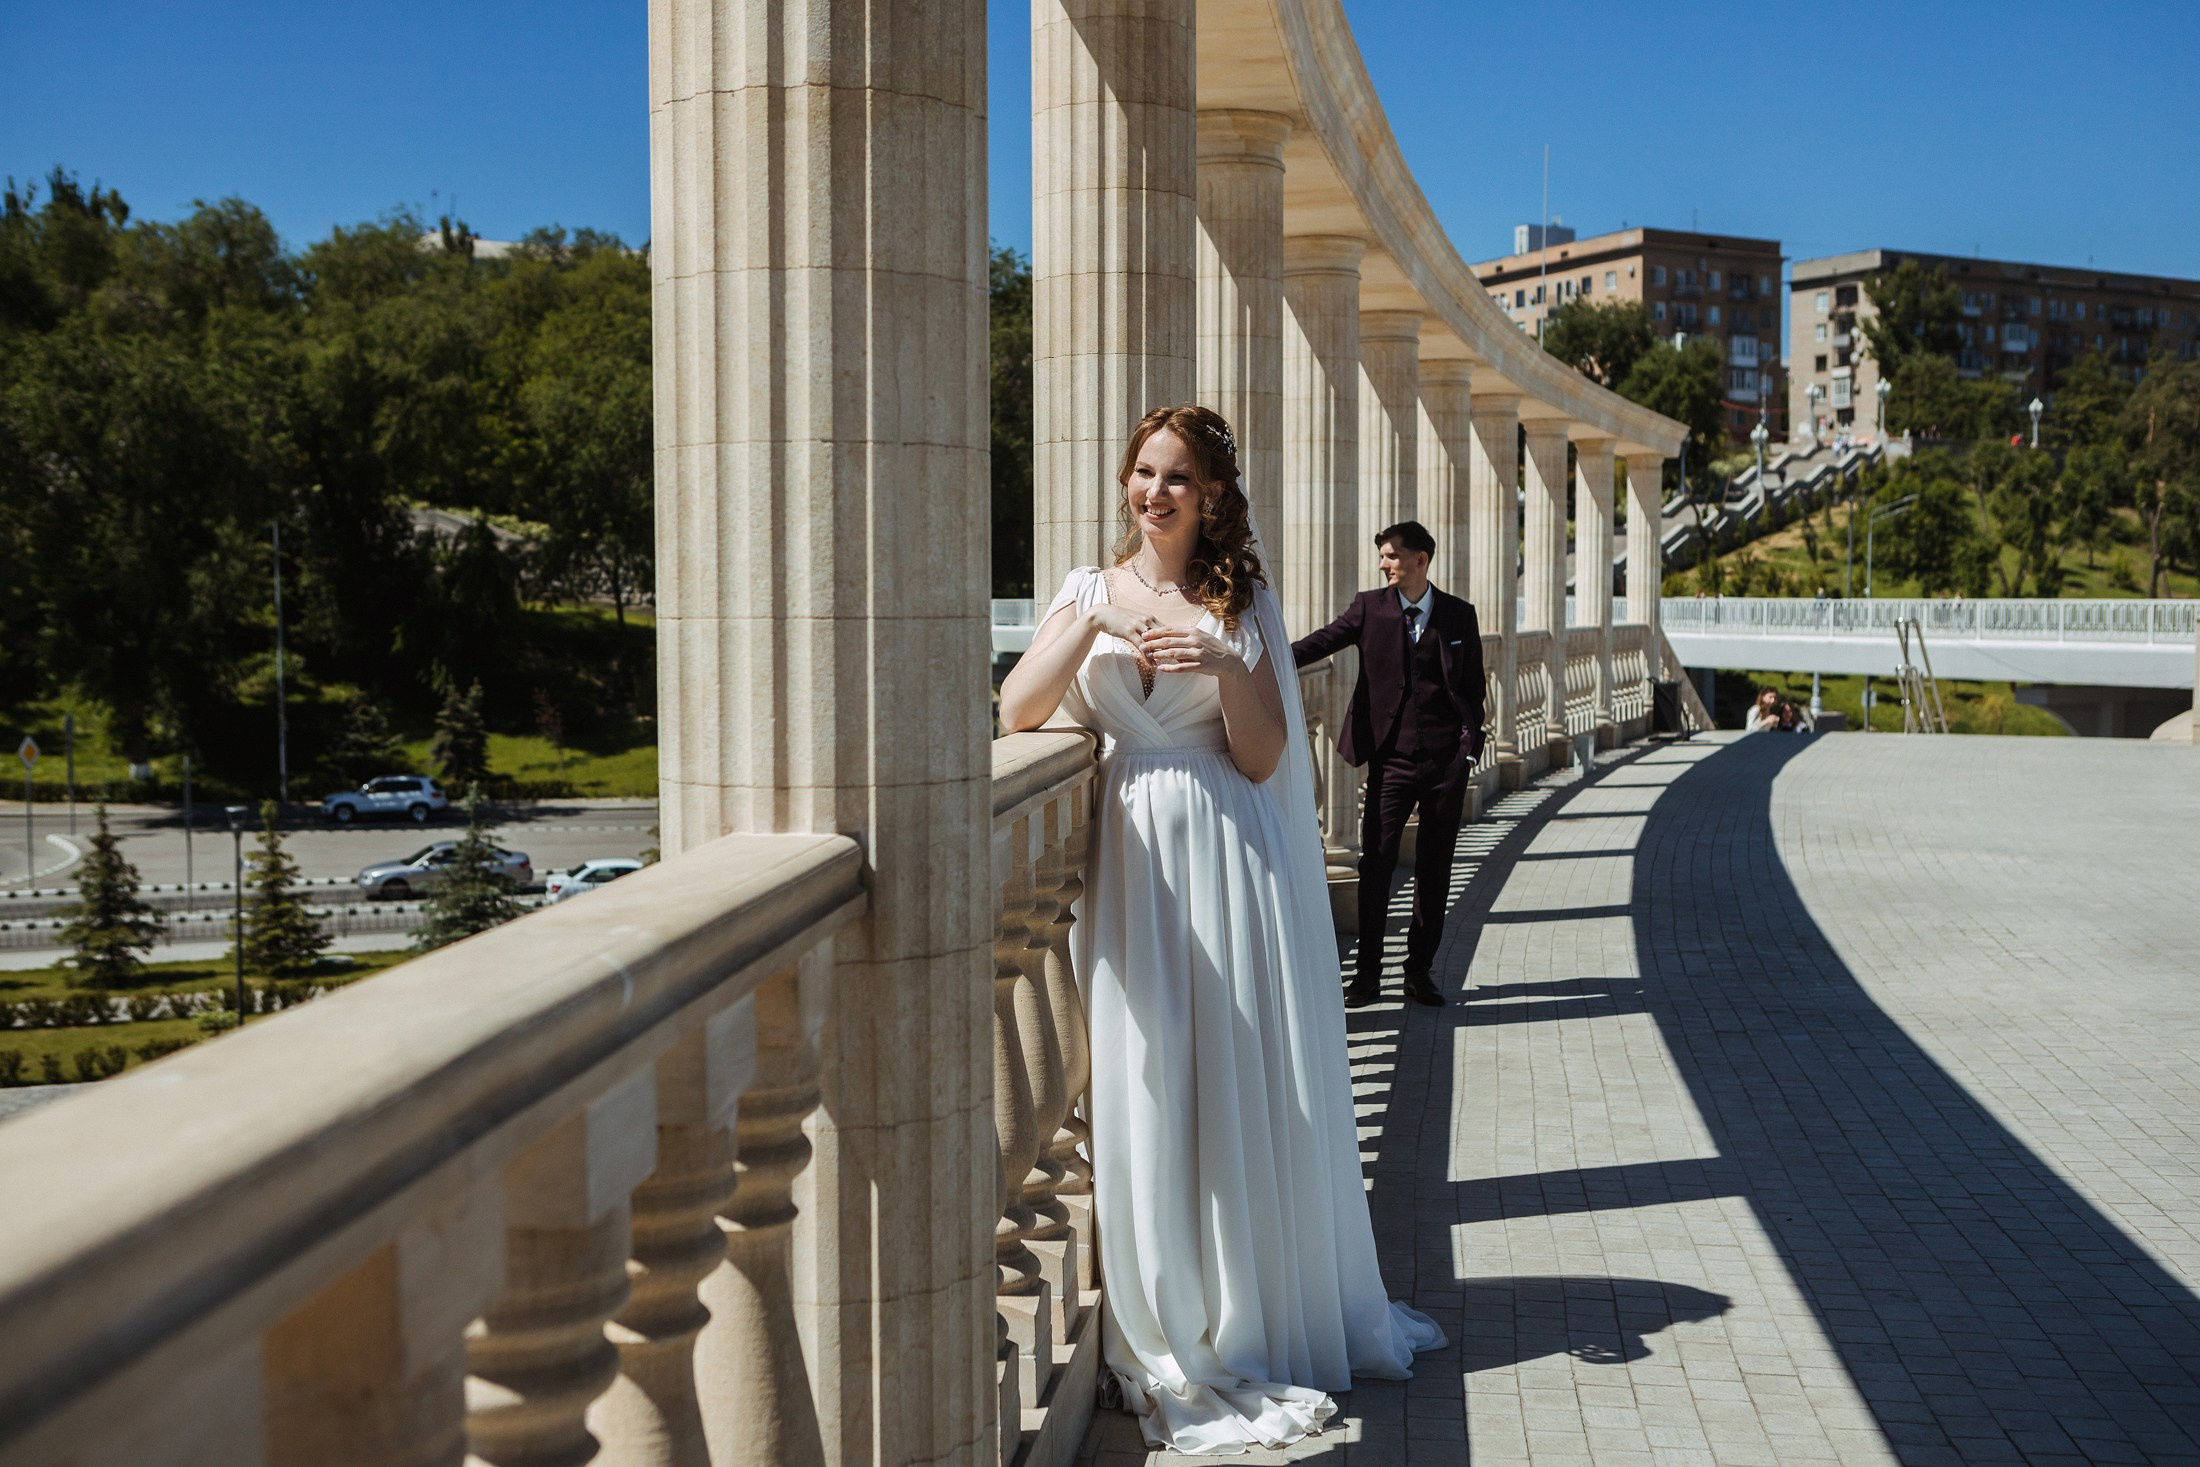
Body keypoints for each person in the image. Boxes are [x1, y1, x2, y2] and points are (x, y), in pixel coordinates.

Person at [998, 405, 1445, 1454]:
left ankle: (1247, 1310)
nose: (1154, 492)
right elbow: (1018, 710)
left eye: (1177, 477)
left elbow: (1261, 759)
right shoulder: (1085, 590)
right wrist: (1090, 625)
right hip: (1134, 872)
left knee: (1232, 1083)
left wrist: (1217, 657)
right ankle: (1165, 1321)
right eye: (1142, 473)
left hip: (1228, 864)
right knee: (1149, 1085)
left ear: (1210, 497)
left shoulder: (1240, 601)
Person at [1290, 521, 1486, 1008]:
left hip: (1445, 763)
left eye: (1392, 556)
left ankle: (1419, 971)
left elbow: (1473, 687)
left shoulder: (1460, 615)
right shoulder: (1369, 608)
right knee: (1375, 863)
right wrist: (1260, 657)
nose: (1384, 564)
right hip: (1390, 761)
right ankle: (1367, 975)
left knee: (1435, 868)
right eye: (1382, 556)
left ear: (1421, 559)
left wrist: (1469, 748)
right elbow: (1321, 642)